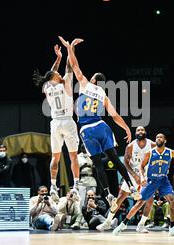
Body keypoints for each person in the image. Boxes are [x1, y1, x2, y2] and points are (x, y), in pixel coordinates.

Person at [58, 36, 138, 205]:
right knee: (115, 160)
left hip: (87, 129)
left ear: (94, 80)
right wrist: (127, 129)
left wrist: (70, 48)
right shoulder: (103, 95)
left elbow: (74, 65)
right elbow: (115, 116)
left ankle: (108, 194)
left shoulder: (85, 84)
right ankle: (132, 186)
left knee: (97, 164)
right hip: (102, 126)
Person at [112, 133, 174, 236]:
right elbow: (141, 166)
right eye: (157, 137)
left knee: (172, 201)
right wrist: (142, 177)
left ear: (165, 141)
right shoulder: (150, 153)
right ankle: (123, 224)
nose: (158, 139)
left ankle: (172, 228)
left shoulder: (170, 152)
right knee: (140, 203)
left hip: (163, 180)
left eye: (160, 137)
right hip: (151, 180)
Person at [32, 44, 80, 194]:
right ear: (56, 78)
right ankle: (76, 184)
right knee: (73, 156)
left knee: (55, 157)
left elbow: (51, 74)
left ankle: (53, 185)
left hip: (55, 123)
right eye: (57, 75)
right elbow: (69, 66)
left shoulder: (47, 87)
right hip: (67, 121)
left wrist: (57, 58)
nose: (59, 75)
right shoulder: (65, 83)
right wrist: (69, 49)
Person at [96, 126, 155, 233]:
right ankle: (108, 222)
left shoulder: (152, 145)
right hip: (132, 175)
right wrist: (134, 175)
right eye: (138, 130)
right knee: (120, 198)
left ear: (145, 132)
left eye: (142, 130)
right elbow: (126, 163)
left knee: (150, 200)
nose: (140, 131)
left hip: (146, 175)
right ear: (135, 133)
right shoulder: (131, 146)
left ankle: (141, 224)